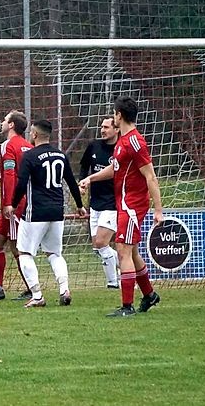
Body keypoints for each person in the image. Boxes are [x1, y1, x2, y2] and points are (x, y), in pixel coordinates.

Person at [81, 96, 163, 317]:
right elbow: (114, 169)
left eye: (114, 113)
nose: (113, 116)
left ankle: (127, 306)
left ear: (120, 115)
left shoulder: (135, 142)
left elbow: (151, 177)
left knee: (122, 251)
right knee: (132, 252)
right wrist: (91, 179)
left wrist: (158, 210)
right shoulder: (122, 142)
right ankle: (149, 294)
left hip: (132, 205)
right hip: (123, 203)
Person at [4, 119, 84, 308]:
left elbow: (22, 183)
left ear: (35, 134)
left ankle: (37, 295)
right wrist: (79, 205)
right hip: (57, 211)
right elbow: (72, 182)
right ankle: (64, 289)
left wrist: (12, 205)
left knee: (24, 253)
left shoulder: (30, 157)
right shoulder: (60, 155)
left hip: (36, 211)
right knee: (55, 253)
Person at [0, 110, 33, 301]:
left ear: (11, 125)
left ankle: (32, 288)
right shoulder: (28, 146)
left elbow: (10, 175)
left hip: (13, 205)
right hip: (20, 203)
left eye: (5, 120)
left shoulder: (7, 145)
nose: (1, 122)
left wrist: (9, 202)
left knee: (17, 247)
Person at [79, 116, 120, 289]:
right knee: (98, 248)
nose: (102, 130)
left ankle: (114, 282)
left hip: (112, 204)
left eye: (107, 127)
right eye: (101, 127)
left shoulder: (120, 149)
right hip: (95, 203)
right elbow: (83, 166)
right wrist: (82, 183)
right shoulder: (93, 146)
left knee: (102, 243)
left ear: (116, 129)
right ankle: (128, 266)